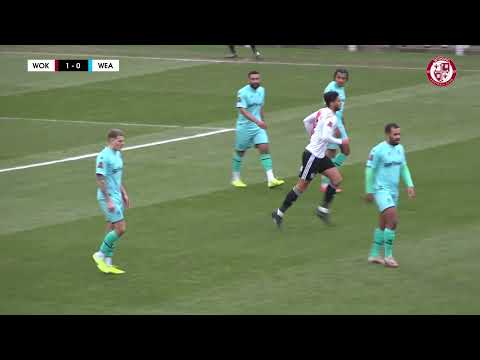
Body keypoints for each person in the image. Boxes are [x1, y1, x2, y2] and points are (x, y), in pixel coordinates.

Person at [272, 91, 349, 227]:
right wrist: (340, 141)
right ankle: (278, 213)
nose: (340, 103)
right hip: (312, 156)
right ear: (331, 102)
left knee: (337, 179)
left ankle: (323, 210)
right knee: (301, 187)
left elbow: (306, 121)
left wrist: (312, 135)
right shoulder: (332, 117)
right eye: (338, 101)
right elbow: (325, 137)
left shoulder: (321, 111)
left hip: (319, 156)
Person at [365, 123, 416, 268]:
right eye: (395, 134)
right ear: (388, 134)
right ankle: (388, 256)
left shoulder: (400, 149)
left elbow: (404, 167)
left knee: (384, 223)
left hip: (394, 191)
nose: (398, 137)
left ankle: (374, 254)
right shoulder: (378, 150)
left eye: (399, 134)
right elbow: (369, 170)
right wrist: (369, 190)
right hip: (380, 189)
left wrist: (409, 185)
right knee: (393, 220)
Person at [232, 71, 284, 188]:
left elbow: (260, 107)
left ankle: (271, 179)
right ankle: (235, 178)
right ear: (248, 80)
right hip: (244, 127)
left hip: (258, 127)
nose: (255, 81)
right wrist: (258, 121)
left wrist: (262, 121)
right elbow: (243, 111)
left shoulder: (262, 90)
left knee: (264, 148)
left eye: (257, 79)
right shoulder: (242, 92)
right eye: (253, 79)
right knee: (240, 152)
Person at [92, 129, 129, 275]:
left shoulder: (118, 154)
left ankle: (108, 263)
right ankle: (100, 254)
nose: (122, 143)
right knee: (121, 228)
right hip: (107, 197)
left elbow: (115, 177)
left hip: (117, 196)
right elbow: (100, 179)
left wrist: (124, 193)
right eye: (120, 141)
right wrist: (109, 201)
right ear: (111, 140)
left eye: (123, 140)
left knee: (113, 227)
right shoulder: (103, 157)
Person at [320, 69, 350, 193]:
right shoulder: (330, 89)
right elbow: (327, 109)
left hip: (339, 124)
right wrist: (335, 127)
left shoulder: (342, 89)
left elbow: (340, 109)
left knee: (346, 151)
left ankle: (329, 175)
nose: (341, 80)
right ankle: (325, 183)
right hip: (332, 124)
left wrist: (342, 122)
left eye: (343, 78)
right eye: (339, 77)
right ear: (334, 77)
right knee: (331, 152)